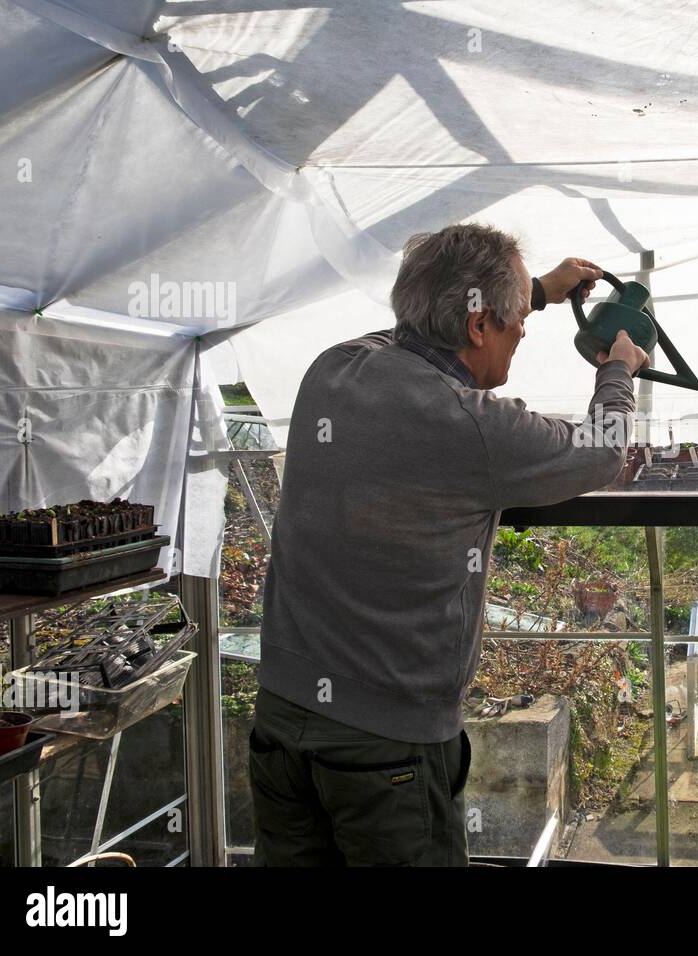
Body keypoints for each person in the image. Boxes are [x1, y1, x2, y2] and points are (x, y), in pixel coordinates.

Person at [248, 223, 648, 865]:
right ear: (478, 325)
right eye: (517, 320)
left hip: (281, 720)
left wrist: (538, 292)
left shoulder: (333, 368)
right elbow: (601, 450)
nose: (524, 331)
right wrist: (620, 370)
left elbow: (413, 331)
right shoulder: (473, 426)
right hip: (387, 748)